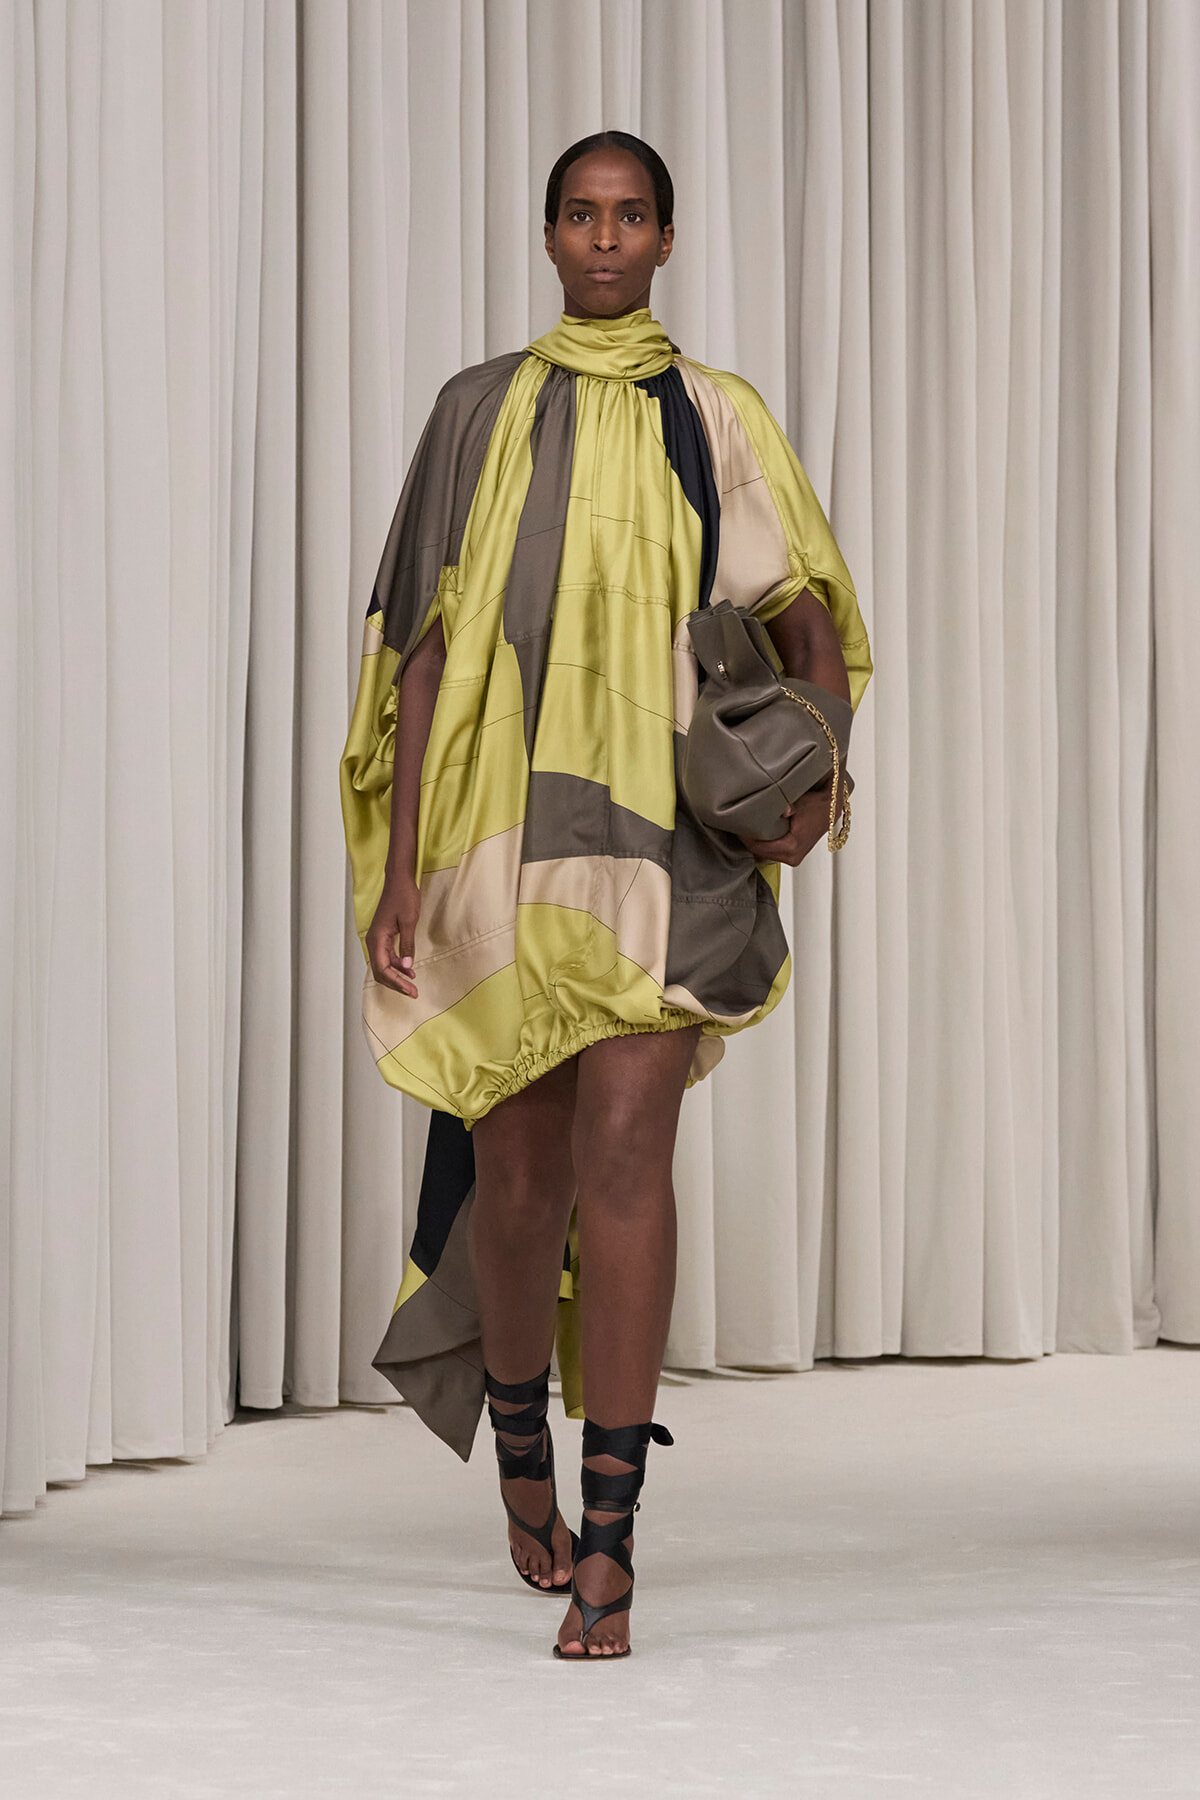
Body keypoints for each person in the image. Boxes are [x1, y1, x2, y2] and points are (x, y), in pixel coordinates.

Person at [340, 130, 872, 1660]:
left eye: (631, 216)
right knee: (518, 1183)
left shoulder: (719, 418)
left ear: (668, 236)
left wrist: (819, 776)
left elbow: (811, 617)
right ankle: (522, 1454)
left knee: (631, 1148)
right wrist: (400, 870)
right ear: (549, 231)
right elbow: (422, 655)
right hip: (498, 846)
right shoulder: (474, 413)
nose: (604, 239)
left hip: (668, 850)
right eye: (581, 213)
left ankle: (614, 1540)